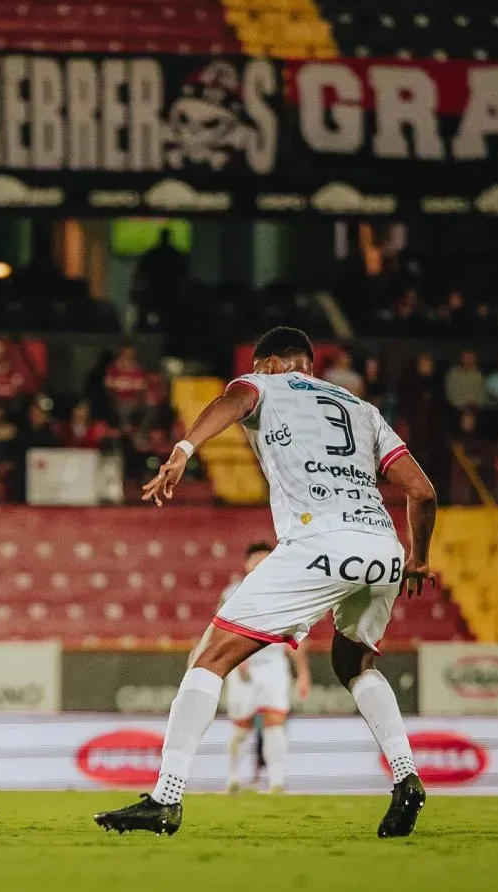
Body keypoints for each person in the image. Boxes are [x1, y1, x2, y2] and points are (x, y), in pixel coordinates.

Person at [95, 326, 435, 839]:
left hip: (318, 540)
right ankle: (407, 776)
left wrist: (185, 449)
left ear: (270, 364)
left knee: (208, 658)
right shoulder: (363, 410)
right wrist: (419, 559)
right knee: (354, 660)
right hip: (382, 548)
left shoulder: (265, 385)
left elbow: (231, 402)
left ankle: (165, 798)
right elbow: (422, 492)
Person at [207, 541, 311, 794]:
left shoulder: (287, 593)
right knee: (242, 726)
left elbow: (296, 636)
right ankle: (232, 775)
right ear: (247, 564)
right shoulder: (233, 592)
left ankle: (277, 781)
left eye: (268, 558)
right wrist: (237, 659)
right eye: (258, 559)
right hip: (244, 663)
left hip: (274, 664)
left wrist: (303, 673)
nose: (263, 563)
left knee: (275, 720)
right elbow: (223, 629)